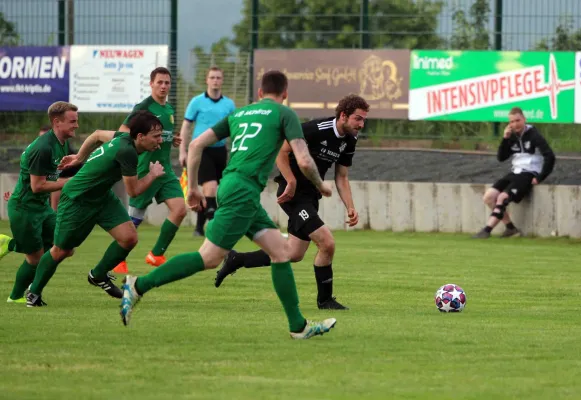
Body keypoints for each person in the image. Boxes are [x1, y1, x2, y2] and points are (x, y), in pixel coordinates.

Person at [119, 70, 337, 340]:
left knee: (281, 253)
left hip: (230, 186)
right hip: (242, 192)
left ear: (259, 93)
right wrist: (321, 185)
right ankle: (138, 285)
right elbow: (304, 160)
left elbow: (196, 144)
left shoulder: (240, 113)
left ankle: (298, 326)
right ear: (285, 93)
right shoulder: (284, 113)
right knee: (208, 258)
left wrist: (194, 188)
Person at [214, 94, 370, 310]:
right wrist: (291, 180)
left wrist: (350, 206)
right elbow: (282, 150)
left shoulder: (350, 139)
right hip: (293, 194)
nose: (361, 125)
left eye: (363, 120)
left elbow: (341, 177)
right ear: (343, 115)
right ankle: (325, 300)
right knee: (327, 242)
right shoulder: (317, 128)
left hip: (311, 197)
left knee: (293, 253)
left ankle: (237, 259)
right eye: (358, 119)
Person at [25, 111, 166, 307]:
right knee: (61, 251)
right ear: (140, 137)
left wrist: (79, 158)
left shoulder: (123, 137)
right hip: (77, 199)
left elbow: (98, 134)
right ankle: (33, 292)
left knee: (129, 238)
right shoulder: (127, 152)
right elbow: (133, 192)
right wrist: (152, 175)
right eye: (156, 136)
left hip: (102, 196)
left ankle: (98, 275)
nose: (160, 141)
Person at [2, 102, 78, 304]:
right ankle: (16, 297)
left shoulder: (60, 143)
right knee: (35, 259)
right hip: (25, 209)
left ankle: (10, 244)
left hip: (41, 208)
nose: (76, 125)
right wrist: (69, 182)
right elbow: (37, 186)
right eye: (72, 121)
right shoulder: (43, 147)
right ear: (57, 122)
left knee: (66, 247)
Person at [113, 67, 185, 274]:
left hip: (165, 170)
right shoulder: (143, 107)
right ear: (151, 84)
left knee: (180, 209)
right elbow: (123, 132)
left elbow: (159, 136)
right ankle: (118, 260)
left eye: (167, 83)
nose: (163, 86)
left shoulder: (169, 109)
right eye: (159, 82)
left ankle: (156, 254)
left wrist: (172, 139)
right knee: (134, 219)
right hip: (145, 169)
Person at [473, 107, 555, 239]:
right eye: (512, 122)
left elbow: (550, 156)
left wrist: (540, 177)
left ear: (524, 119)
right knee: (489, 197)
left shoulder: (534, 135)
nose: (515, 124)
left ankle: (486, 230)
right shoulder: (511, 136)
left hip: (529, 173)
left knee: (502, 198)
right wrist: (505, 139)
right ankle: (510, 228)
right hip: (515, 172)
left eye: (518, 120)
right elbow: (501, 157)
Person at [179, 66, 235, 236]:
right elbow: (186, 126)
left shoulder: (229, 104)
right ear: (207, 80)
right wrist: (183, 151)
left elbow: (235, 129)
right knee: (210, 188)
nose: (215, 80)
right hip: (201, 150)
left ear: (222, 80)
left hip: (220, 151)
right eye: (212, 77)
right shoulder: (197, 102)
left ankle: (199, 228)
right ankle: (213, 220)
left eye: (218, 77)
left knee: (216, 191)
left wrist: (235, 151)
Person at [40, 124, 83, 210]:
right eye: (40, 139)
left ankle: (54, 215)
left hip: (75, 186)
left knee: (56, 184)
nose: (41, 143)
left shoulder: (67, 154)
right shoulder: (39, 155)